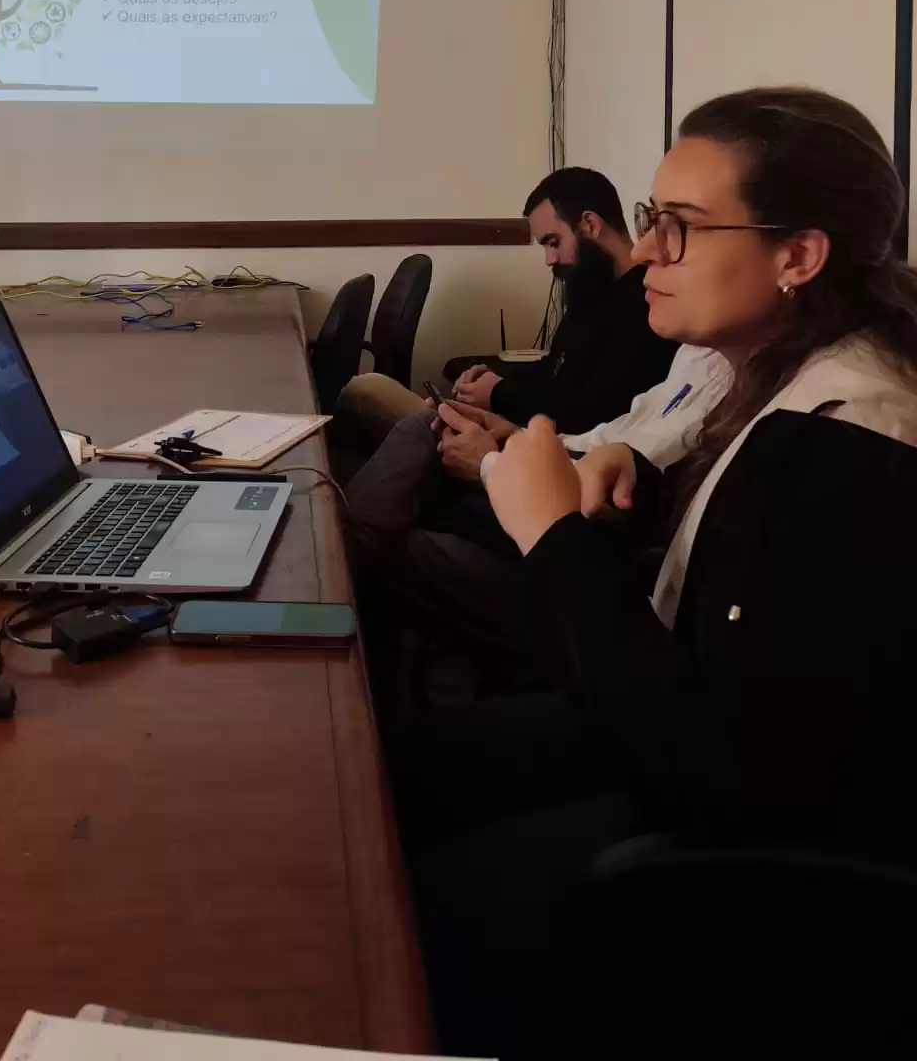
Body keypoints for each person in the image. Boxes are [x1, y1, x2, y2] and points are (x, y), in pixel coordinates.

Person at [396, 87, 917, 1056]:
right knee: (408, 772)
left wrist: (553, 535)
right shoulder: (778, 373)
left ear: (799, 256)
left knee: (408, 904)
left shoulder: (850, 439)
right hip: (707, 748)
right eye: (650, 218)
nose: (643, 253)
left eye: (680, 226)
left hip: (766, 847)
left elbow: (714, 763)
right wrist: (631, 484)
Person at [346, 344, 730, 663]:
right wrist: (511, 433)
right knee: (417, 445)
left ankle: (337, 556)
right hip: (552, 515)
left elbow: (610, 502)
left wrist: (490, 459)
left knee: (395, 479)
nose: (646, 273)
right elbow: (601, 437)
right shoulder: (696, 355)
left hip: (576, 572)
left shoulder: (731, 400)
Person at [337, 166, 677, 448]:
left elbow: (591, 413)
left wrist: (498, 395)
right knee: (370, 391)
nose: (549, 259)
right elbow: (556, 370)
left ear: (590, 224)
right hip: (513, 432)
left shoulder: (645, 305)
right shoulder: (592, 287)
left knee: (366, 391)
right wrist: (492, 380)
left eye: (553, 242)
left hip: (530, 453)